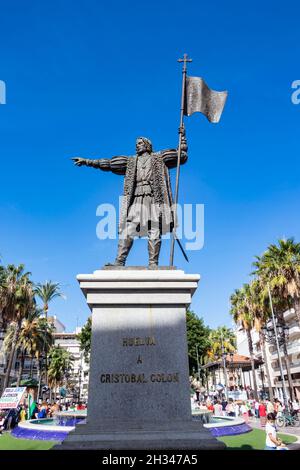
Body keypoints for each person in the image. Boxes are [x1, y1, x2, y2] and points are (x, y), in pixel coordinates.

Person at [72, 131, 188, 267]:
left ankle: (153, 263)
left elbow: (181, 156)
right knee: (128, 229)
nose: (137, 146)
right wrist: (87, 162)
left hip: (154, 198)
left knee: (154, 229)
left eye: (139, 143)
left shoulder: (159, 158)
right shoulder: (131, 161)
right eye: (136, 144)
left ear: (147, 145)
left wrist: (183, 141)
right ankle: (119, 261)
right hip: (136, 199)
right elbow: (109, 164)